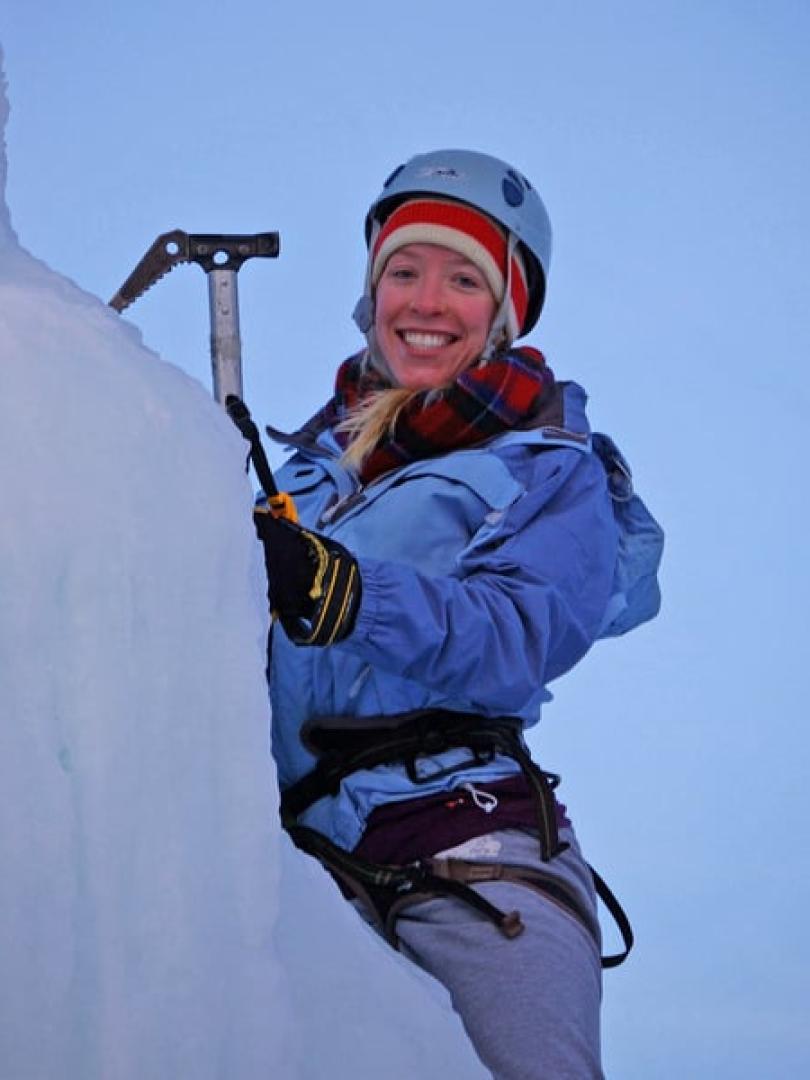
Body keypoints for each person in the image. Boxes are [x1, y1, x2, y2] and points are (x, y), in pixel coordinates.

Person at [251, 149, 659, 1079]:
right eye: (404, 270)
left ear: (504, 312)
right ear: (371, 293)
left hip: (467, 846)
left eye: (463, 277)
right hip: (296, 857)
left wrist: (349, 593)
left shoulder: (547, 464)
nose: (426, 300)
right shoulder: (306, 478)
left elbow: (520, 633)